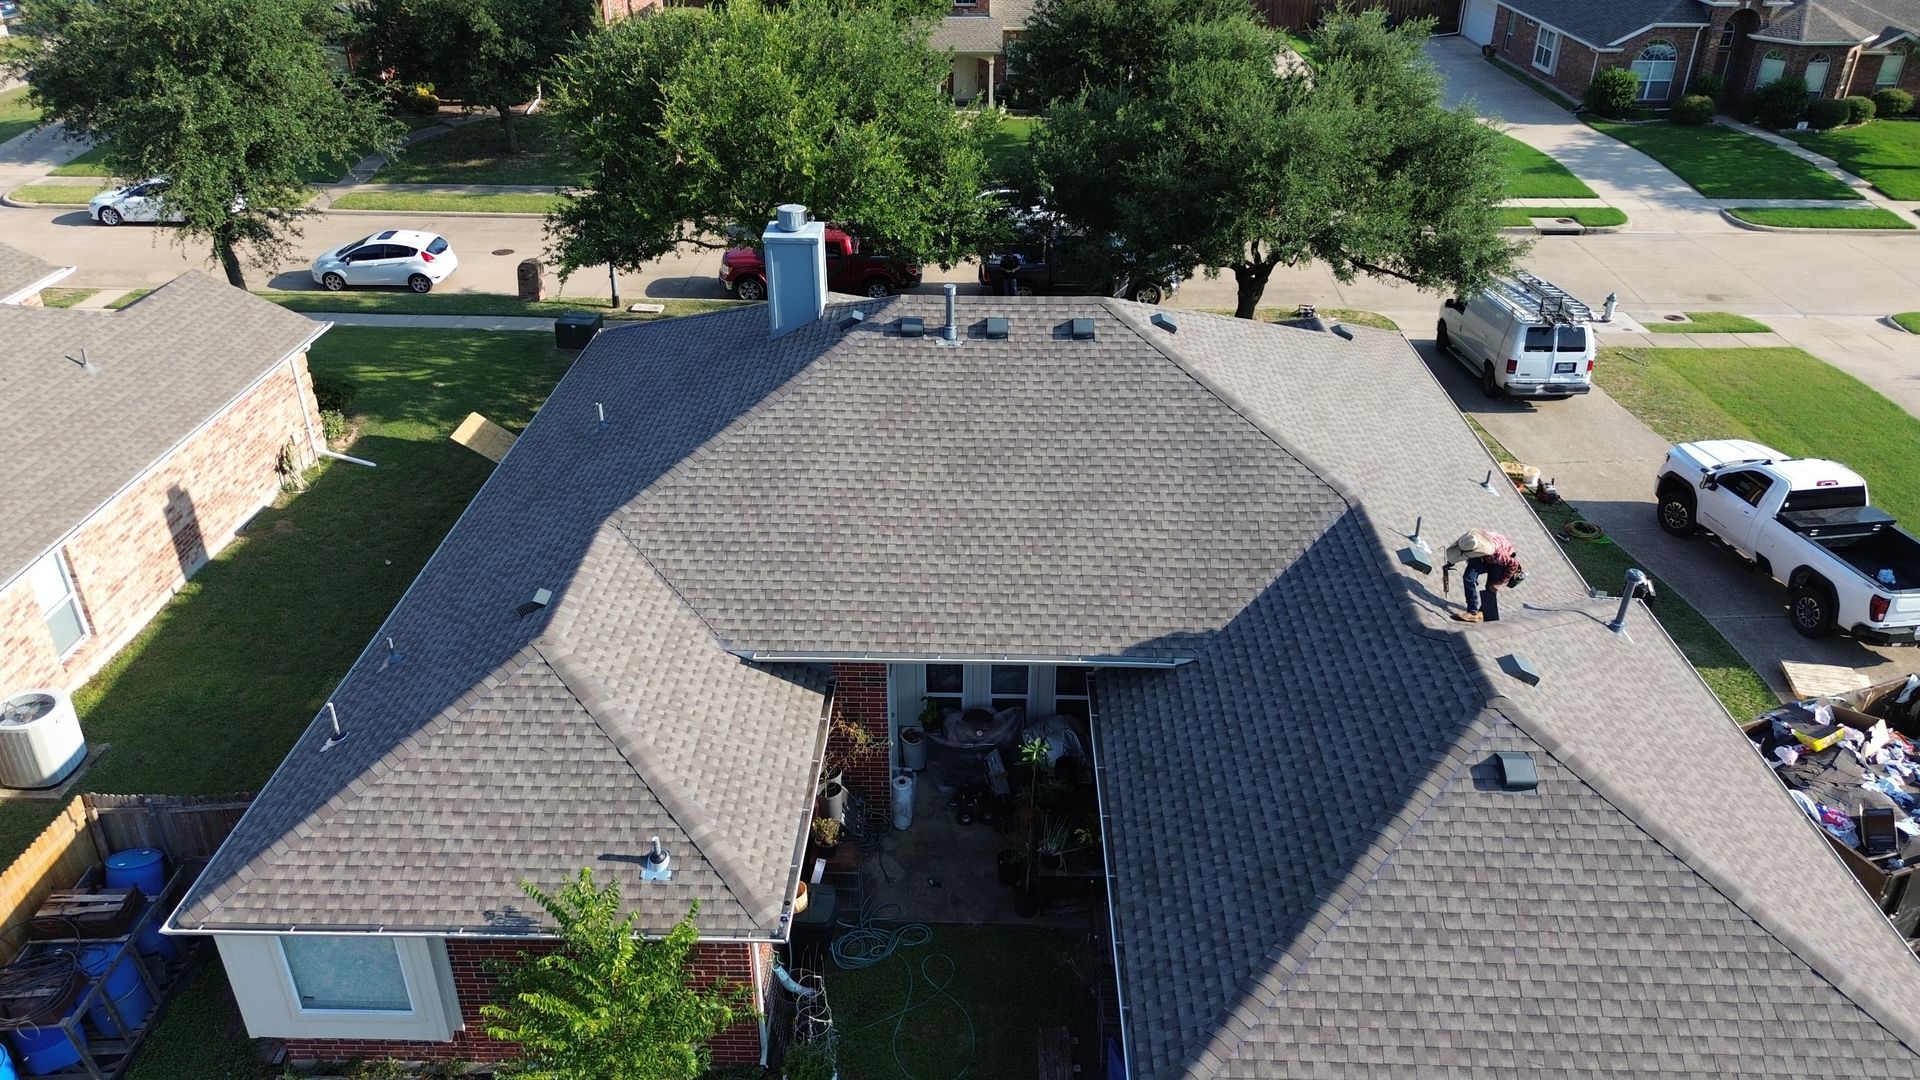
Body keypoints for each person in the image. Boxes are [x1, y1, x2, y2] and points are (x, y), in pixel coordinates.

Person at [1444, 529, 1525, 623]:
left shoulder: (1499, 555)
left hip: (1498, 561)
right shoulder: (1468, 540)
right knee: (1468, 578)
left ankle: (1483, 612)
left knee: (1491, 587)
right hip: (1483, 554)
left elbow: (1513, 565)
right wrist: (1450, 562)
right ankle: (1472, 612)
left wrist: (1499, 583)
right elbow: (1460, 553)